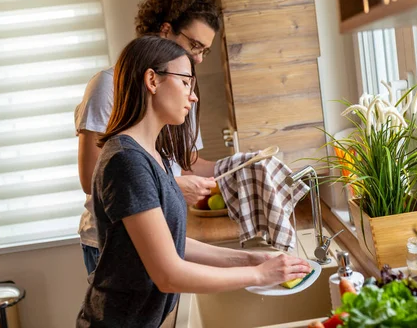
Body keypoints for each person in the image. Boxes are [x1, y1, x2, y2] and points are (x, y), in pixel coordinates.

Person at [76, 36, 311, 327]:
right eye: (186, 82)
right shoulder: (127, 161)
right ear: (152, 80)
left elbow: (172, 243)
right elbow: (169, 274)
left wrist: (251, 259)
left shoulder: (150, 154)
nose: (193, 96)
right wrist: (260, 275)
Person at [74, 0, 221, 274]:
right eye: (195, 46)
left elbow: (186, 164)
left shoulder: (183, 90)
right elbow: (93, 177)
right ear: (166, 30)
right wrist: (174, 186)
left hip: (162, 230)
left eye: (205, 51)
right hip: (113, 239)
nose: (199, 59)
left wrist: (240, 167)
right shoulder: (109, 86)